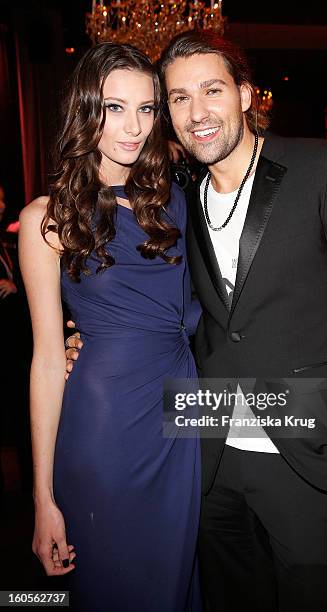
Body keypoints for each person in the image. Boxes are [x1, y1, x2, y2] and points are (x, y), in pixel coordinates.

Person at [65, 32, 327, 612]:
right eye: (177, 98)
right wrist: (90, 343)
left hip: (315, 455)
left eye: (212, 90)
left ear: (246, 95)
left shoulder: (323, 167)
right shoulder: (173, 198)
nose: (197, 113)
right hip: (208, 459)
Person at [19, 42, 202, 612]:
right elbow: (49, 358)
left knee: (179, 583)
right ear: (84, 111)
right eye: (113, 108)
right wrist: (42, 498)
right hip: (105, 431)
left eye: (147, 109)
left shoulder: (180, 202)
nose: (133, 127)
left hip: (183, 423)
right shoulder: (45, 219)